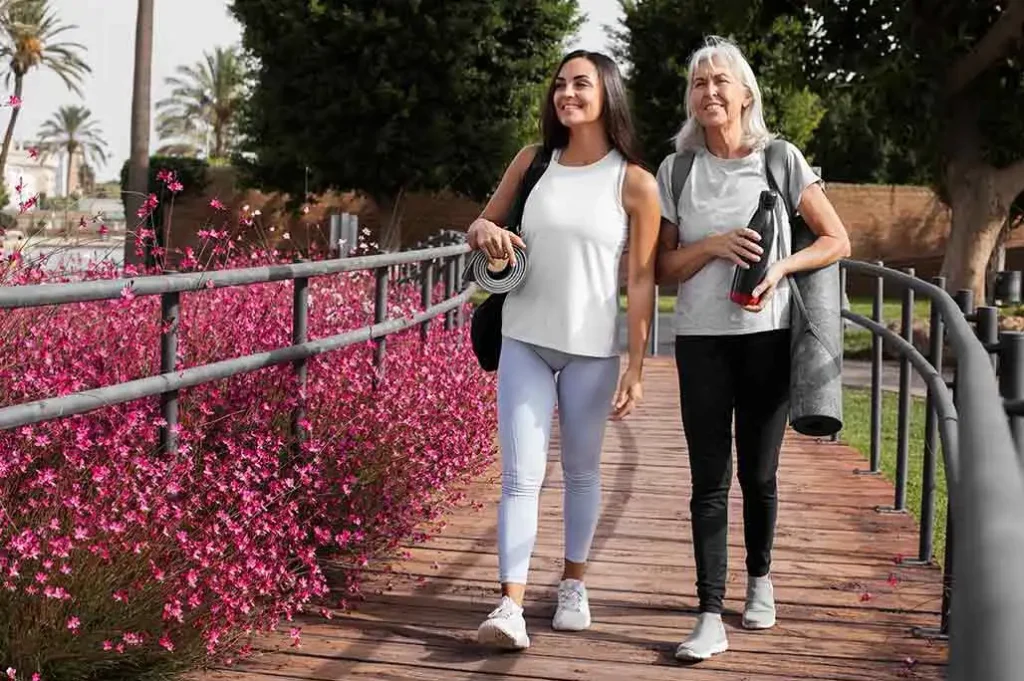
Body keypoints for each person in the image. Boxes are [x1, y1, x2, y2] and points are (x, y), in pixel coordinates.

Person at [654, 36, 851, 661]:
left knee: (758, 475)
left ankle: (760, 579)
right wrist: (711, 246)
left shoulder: (781, 159)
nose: (709, 92)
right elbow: (661, 268)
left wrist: (783, 267)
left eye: (720, 82)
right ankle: (709, 612)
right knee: (707, 481)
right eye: (698, 83)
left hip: (766, 340)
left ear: (745, 94)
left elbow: (837, 238)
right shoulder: (676, 169)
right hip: (701, 342)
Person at [465, 49, 661, 650]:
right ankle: (510, 606)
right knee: (521, 476)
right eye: (559, 85)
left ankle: (574, 584)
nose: (566, 94)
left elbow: (641, 279)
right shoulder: (531, 163)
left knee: (580, 472)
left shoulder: (635, 182)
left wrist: (636, 365)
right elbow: (479, 228)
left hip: (593, 351)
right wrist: (487, 233)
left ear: (607, 94)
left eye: (580, 83)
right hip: (524, 338)